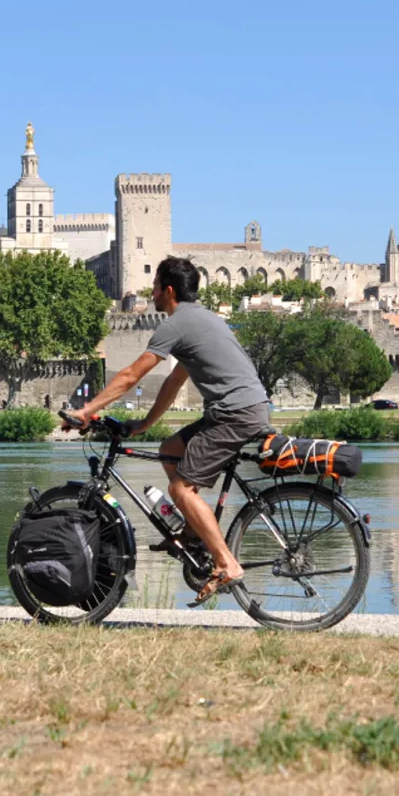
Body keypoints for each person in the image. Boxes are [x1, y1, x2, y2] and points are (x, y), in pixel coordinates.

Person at [62, 256, 270, 603]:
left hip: (236, 413)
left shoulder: (175, 325)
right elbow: (174, 382)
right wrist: (144, 425)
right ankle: (192, 531)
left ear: (168, 290)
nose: (152, 292)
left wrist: (86, 410)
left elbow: (130, 375)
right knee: (170, 450)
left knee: (181, 490)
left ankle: (226, 563)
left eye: (155, 286)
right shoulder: (202, 319)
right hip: (242, 408)